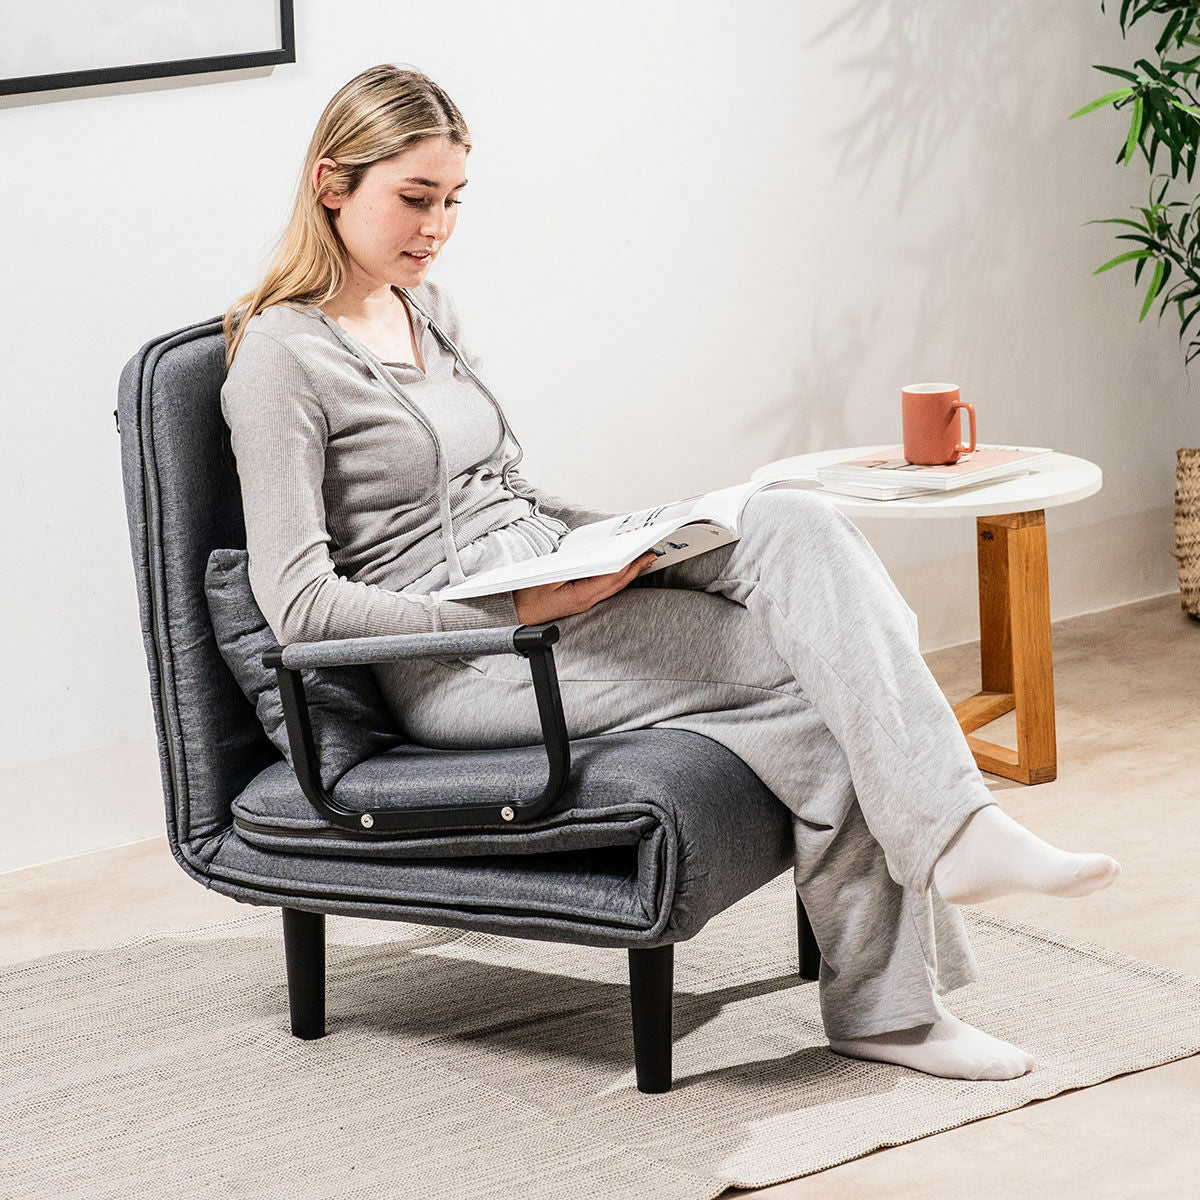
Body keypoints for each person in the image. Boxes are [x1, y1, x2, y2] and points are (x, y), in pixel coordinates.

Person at [221, 63, 1121, 1082]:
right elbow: (299, 605)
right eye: (415, 199)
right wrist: (516, 605)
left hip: (551, 589)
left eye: (455, 201)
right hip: (469, 656)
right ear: (332, 184)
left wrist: (635, 538)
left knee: (789, 520)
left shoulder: (422, 308)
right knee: (814, 675)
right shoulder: (279, 359)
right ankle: (901, 983)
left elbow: (505, 487)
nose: (438, 229)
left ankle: (950, 845)